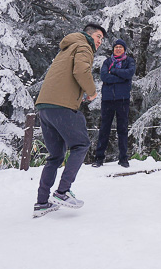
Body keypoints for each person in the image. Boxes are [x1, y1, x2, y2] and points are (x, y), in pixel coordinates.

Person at [31, 22, 103, 218]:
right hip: (62, 106)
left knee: (55, 156)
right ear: (89, 35)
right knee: (81, 145)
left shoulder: (67, 48)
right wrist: (92, 92)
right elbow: (81, 71)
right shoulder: (84, 46)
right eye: (98, 37)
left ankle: (42, 203)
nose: (99, 42)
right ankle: (62, 191)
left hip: (45, 106)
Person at [92, 38, 135, 168]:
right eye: (116, 47)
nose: (118, 49)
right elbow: (104, 76)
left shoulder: (129, 61)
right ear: (113, 49)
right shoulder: (107, 62)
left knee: (122, 129)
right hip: (107, 100)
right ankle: (99, 158)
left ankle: (123, 158)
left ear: (124, 49)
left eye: (120, 47)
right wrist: (121, 78)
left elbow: (129, 73)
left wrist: (114, 71)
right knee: (104, 129)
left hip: (123, 100)